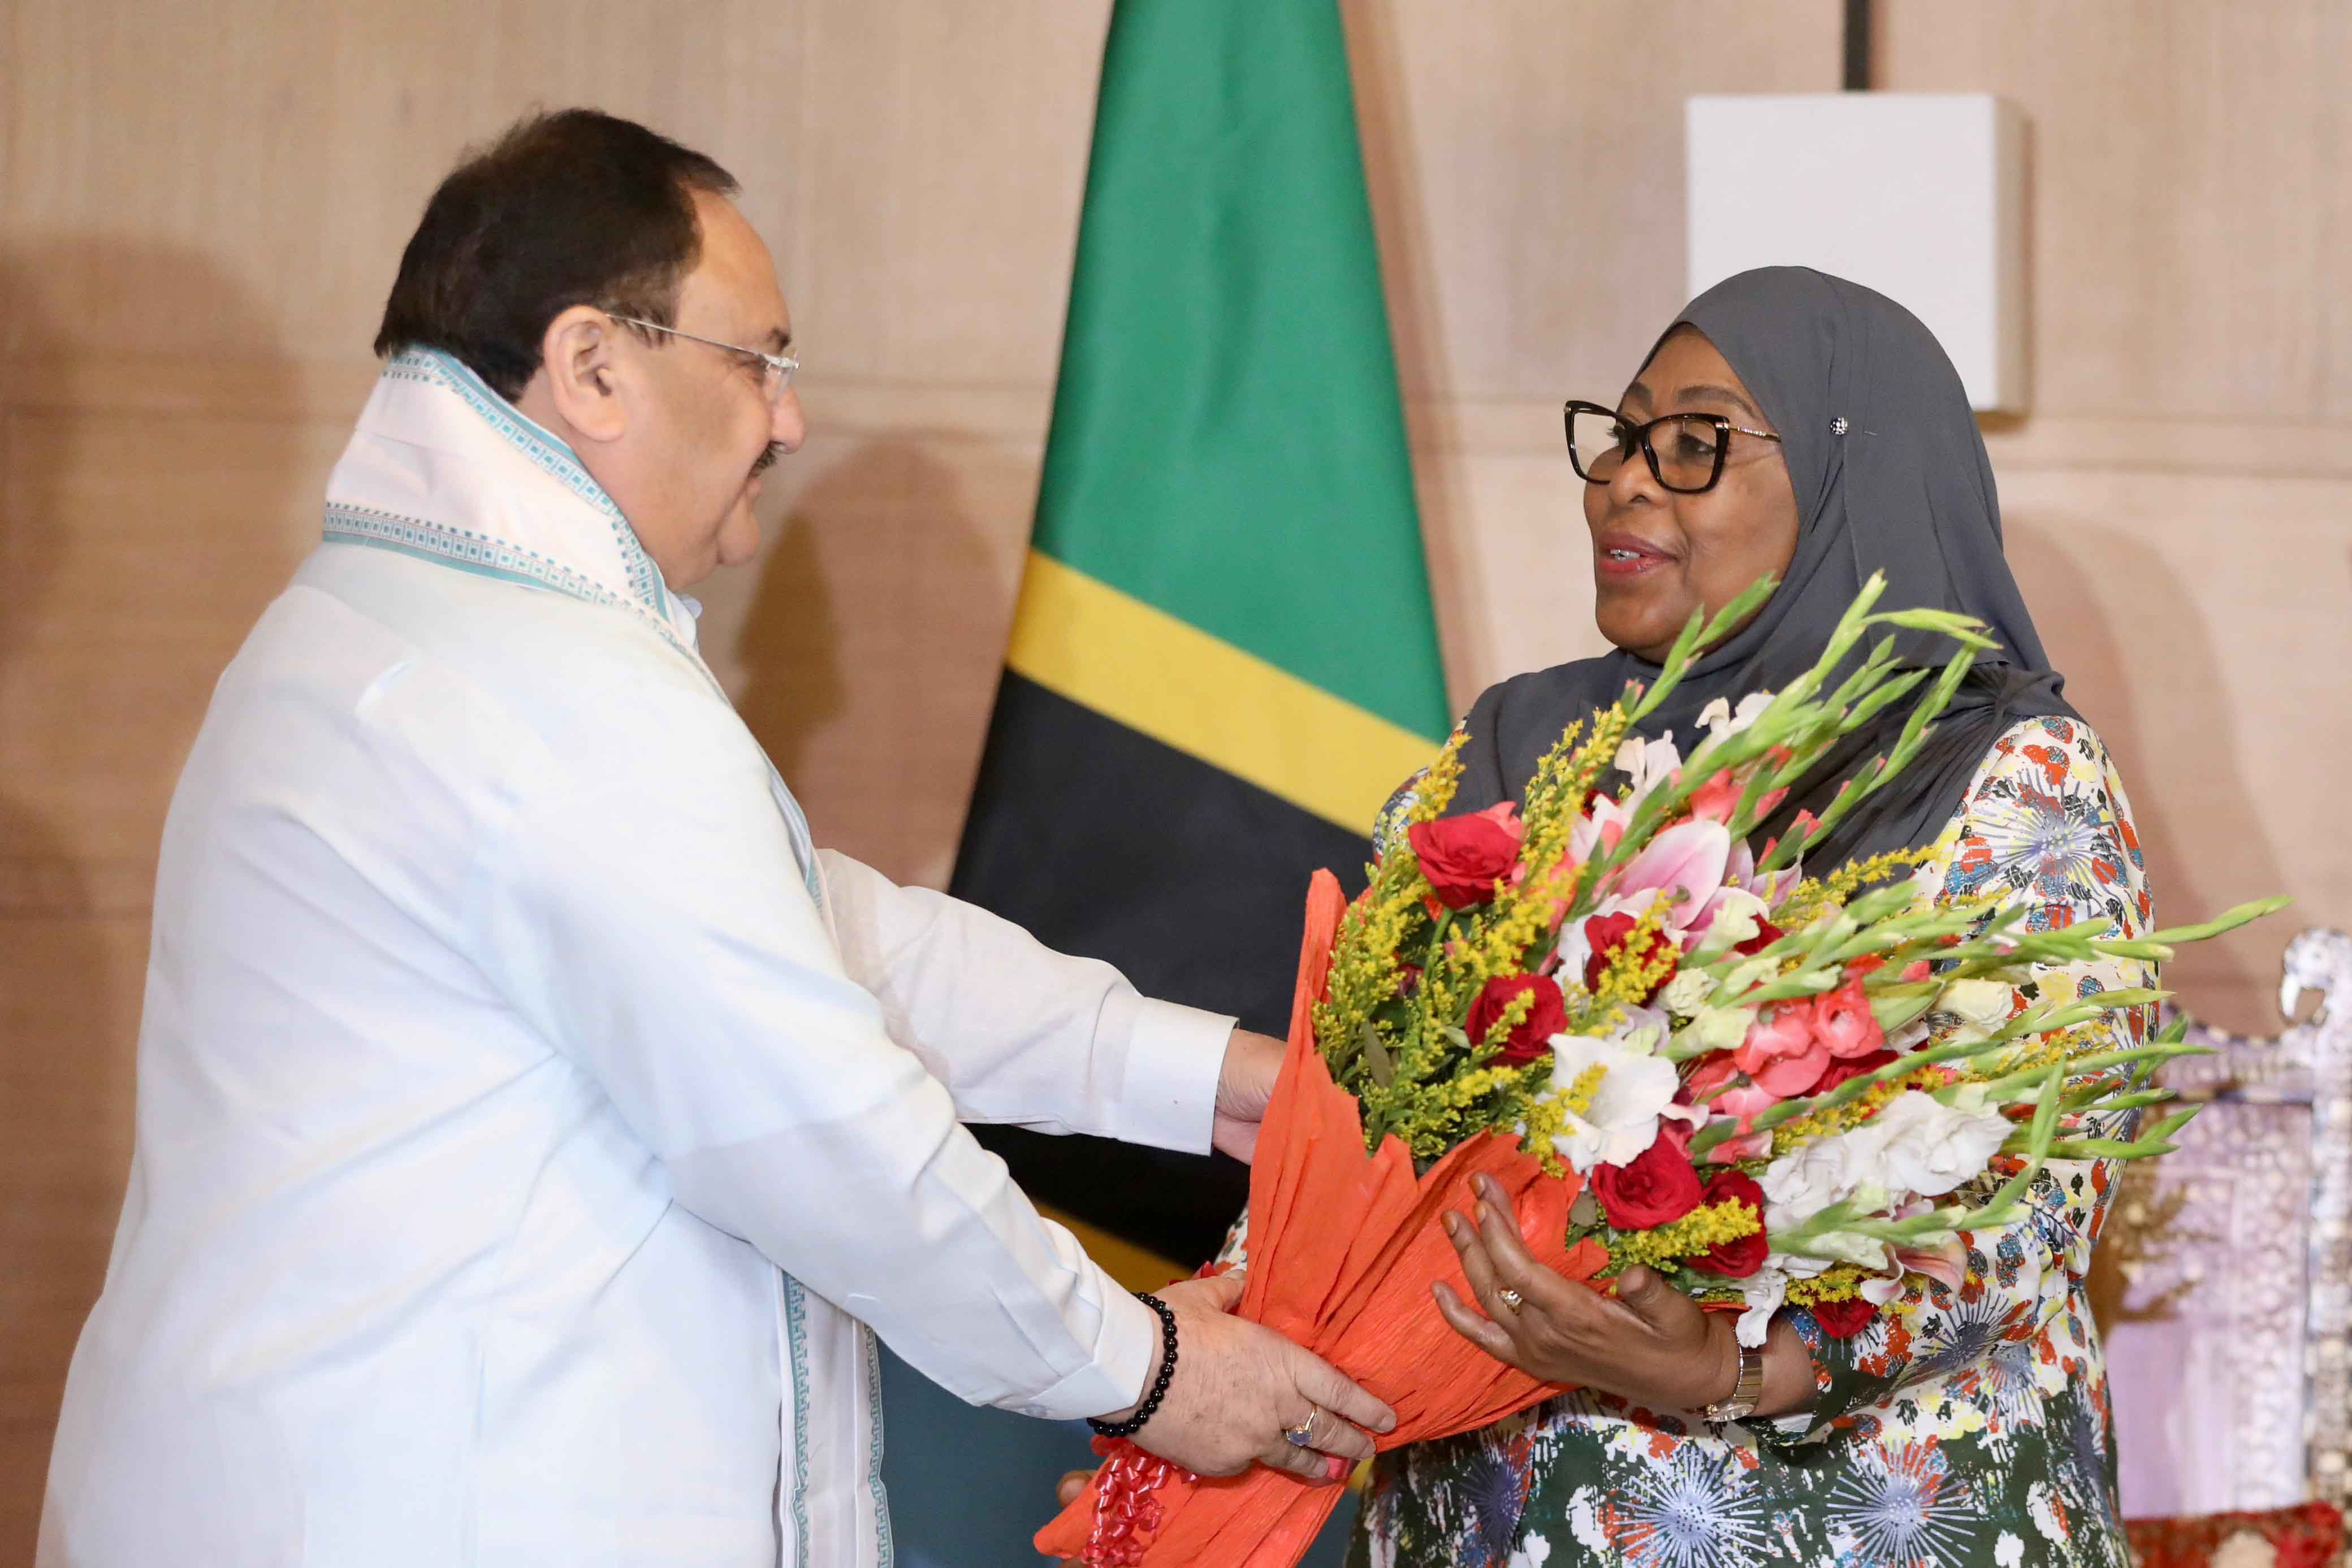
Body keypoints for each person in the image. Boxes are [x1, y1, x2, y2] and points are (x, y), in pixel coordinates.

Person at [37, 109, 1392, 1568]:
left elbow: (819, 934)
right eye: (759, 359)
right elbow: (823, 1116)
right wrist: (1151, 1371)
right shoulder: (548, 685)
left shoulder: (394, 627)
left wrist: (1208, 1081)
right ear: (592, 365)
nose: (789, 418)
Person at [1350, 268, 2155, 1567]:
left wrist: (1738, 1365)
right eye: (1620, 435)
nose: (1622, 478)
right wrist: (1239, 1318)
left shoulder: (2004, 771)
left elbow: (2036, 1188)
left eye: (1693, 443)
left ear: (1857, 475)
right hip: (1495, 1514)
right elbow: (1357, 1095)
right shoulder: (1512, 744)